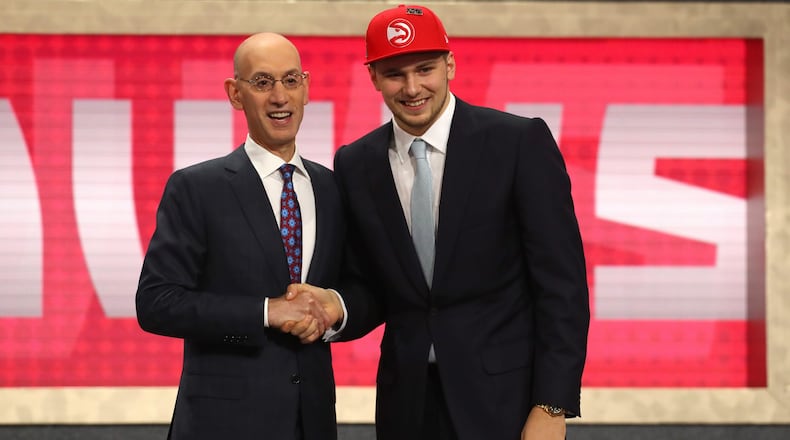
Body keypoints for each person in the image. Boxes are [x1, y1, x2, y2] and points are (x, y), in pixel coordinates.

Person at [289, 4, 590, 440]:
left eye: (425, 69)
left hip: (507, 402)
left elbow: (562, 285)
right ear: (373, 76)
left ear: (450, 64)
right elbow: (373, 285)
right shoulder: (356, 163)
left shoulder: (517, 142)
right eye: (394, 73)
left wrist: (553, 404)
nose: (412, 87)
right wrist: (337, 308)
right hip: (407, 405)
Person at [135, 33, 344, 440]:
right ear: (235, 94)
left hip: (313, 422)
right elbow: (157, 303)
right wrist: (266, 312)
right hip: (222, 424)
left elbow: (363, 289)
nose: (280, 97)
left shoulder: (334, 189)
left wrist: (335, 308)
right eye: (263, 83)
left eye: (291, 80)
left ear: (307, 88)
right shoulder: (197, 188)